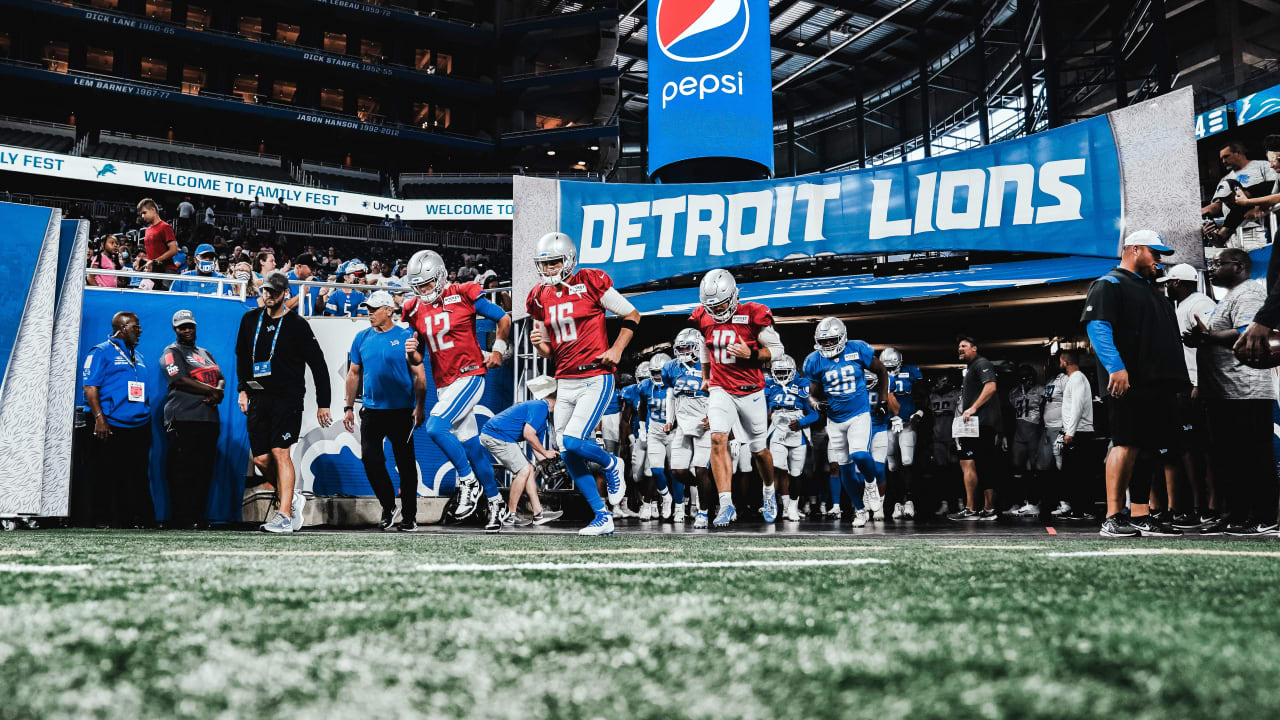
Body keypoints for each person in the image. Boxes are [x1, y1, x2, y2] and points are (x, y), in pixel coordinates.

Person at [527, 232, 639, 536]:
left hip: (595, 377)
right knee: (567, 451)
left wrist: (616, 350)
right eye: (545, 263)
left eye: (554, 262)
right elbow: (551, 350)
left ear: (569, 260)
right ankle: (602, 517)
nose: (549, 269)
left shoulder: (589, 281)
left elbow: (632, 314)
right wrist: (540, 346)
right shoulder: (540, 295)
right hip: (566, 379)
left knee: (575, 440)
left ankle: (612, 464)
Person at [1082, 229, 1189, 538]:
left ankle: (1141, 513)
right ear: (1134, 249)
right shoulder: (1109, 283)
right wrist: (1116, 367)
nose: (1159, 259)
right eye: (1154, 252)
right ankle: (1112, 515)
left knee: (1149, 449)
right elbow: (1098, 326)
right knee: (1126, 442)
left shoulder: (1151, 291)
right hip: (1129, 382)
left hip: (1158, 384)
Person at [403, 249, 512, 530]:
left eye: (427, 283)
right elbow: (418, 356)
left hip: (470, 375)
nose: (424, 290)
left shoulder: (464, 292)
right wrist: (412, 353)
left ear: (440, 277)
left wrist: (498, 350)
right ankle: (496, 501)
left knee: (436, 427)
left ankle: (468, 481)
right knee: (473, 448)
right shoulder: (414, 308)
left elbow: (503, 318)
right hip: (445, 385)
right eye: (418, 286)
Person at [1183, 249, 1277, 535]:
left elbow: (1247, 332)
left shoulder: (1248, 292)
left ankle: (1264, 517)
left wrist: (1206, 336)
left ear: (1238, 266)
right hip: (1226, 392)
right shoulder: (1229, 297)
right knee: (1231, 460)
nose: (1211, 268)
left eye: (1218, 263)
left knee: (1253, 458)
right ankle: (1238, 514)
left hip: (1245, 391)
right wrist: (1201, 337)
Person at [235, 271, 333, 533]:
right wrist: (242, 389)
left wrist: (324, 402)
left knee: (280, 452)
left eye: (274, 292)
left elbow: (319, 365)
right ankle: (292, 498)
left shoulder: (297, 325)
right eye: (265, 291)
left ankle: (284, 515)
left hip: (288, 398)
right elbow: (242, 358)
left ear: (284, 294)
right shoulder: (249, 320)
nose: (268, 296)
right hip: (258, 396)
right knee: (261, 460)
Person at [692, 268, 783, 527]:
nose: (717, 311)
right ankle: (726, 504)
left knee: (759, 450)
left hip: (751, 390)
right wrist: (706, 375)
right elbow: (704, 345)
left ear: (733, 296)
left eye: (721, 304)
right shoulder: (703, 317)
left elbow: (778, 349)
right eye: (712, 306)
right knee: (718, 438)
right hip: (721, 388)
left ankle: (768, 491)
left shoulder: (753, 313)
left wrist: (752, 354)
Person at [342, 291, 427, 532]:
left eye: (375, 309)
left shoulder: (406, 336)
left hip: (401, 411)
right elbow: (353, 374)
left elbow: (420, 376)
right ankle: (389, 506)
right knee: (371, 459)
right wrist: (348, 407)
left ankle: (409, 517)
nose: (369, 313)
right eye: (368, 308)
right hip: (371, 411)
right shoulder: (361, 338)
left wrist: (420, 407)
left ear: (389, 311)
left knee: (406, 465)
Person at [803, 317, 897, 528]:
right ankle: (860, 511)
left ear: (842, 337)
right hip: (834, 420)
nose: (827, 345)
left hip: (858, 414)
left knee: (859, 454)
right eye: (823, 341)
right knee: (845, 468)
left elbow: (882, 371)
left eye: (831, 340)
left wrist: (883, 400)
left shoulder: (857, 349)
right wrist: (817, 405)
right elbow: (812, 394)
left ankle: (871, 484)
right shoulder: (814, 360)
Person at [82, 312, 155, 528]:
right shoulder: (101, 352)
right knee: (106, 473)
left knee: (137, 474)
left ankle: (133, 519)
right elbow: (90, 387)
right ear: (122, 328)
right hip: (110, 423)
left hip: (139, 425)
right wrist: (99, 418)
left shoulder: (137, 356)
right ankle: (103, 519)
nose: (139, 330)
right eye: (135, 327)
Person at [1159, 263, 1218, 527]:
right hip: (1185, 386)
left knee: (1203, 450)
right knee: (1188, 451)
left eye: (1169, 282)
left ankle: (1210, 507)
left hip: (1198, 386)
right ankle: (1195, 506)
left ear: (1179, 283)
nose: (1166, 287)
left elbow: (1210, 338)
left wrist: (1198, 383)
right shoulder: (1180, 306)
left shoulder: (1199, 302)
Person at [162, 310, 224, 529]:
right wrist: (212, 390)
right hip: (183, 417)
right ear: (175, 330)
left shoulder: (205, 352)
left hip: (208, 420)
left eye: (190, 326)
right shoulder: (171, 351)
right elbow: (178, 379)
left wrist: (218, 391)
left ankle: (199, 517)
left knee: (203, 471)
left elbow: (221, 378)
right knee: (182, 470)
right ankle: (182, 518)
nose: (187, 330)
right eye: (182, 327)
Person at [481, 375, 564, 528]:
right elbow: (528, 434)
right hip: (496, 435)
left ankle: (538, 513)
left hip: (501, 436)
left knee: (529, 469)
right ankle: (509, 515)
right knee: (524, 469)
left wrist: (549, 463)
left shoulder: (543, 417)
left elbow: (535, 447)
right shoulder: (540, 406)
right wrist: (546, 452)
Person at [948, 336, 1002, 521]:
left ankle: (979, 509)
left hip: (981, 423)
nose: (960, 349)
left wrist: (973, 408)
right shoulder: (972, 368)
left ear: (974, 348)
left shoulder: (982, 363)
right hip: (974, 425)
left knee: (976, 464)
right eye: (959, 347)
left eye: (964, 346)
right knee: (975, 464)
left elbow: (991, 387)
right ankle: (981, 509)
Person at [665, 329, 713, 526]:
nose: (683, 351)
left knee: (701, 468)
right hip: (683, 422)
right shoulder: (671, 367)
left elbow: (719, 393)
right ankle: (708, 490)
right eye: (681, 348)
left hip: (703, 421)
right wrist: (670, 419)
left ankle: (703, 511)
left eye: (687, 347)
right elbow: (670, 395)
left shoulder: (709, 366)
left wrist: (714, 417)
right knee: (677, 470)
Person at [765, 354, 817, 522]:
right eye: (777, 373)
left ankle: (792, 507)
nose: (780, 377)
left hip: (797, 435)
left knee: (795, 474)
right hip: (778, 432)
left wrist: (801, 422)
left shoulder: (803, 385)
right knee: (777, 467)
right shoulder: (769, 385)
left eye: (784, 372)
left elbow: (814, 415)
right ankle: (772, 502)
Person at [1202, 141, 1277, 250]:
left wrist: (1259, 207)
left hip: (1257, 228)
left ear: (1238, 153)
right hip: (1234, 234)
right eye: (1221, 158)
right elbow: (1217, 205)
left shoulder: (1262, 166)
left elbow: (1275, 187)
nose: (1223, 161)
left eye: (1226, 156)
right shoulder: (1225, 180)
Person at [880, 347, 925, 520]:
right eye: (887, 367)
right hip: (888, 424)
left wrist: (919, 412)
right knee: (891, 465)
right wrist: (889, 417)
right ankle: (896, 502)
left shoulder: (912, 372)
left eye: (892, 367)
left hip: (907, 423)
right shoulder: (878, 375)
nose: (890, 371)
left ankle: (909, 500)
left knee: (907, 461)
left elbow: (922, 395)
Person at [1057, 350, 1101, 520]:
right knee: (1074, 473)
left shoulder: (1077, 378)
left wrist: (1070, 432)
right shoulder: (1074, 379)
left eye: (1060, 361)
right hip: (1076, 431)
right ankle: (1078, 509)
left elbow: (1077, 406)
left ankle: (1084, 510)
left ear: (1065, 362)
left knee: (1080, 473)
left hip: (1079, 432)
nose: (1059, 364)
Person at [639, 353, 680, 522]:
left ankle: (679, 507)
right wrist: (642, 427)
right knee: (656, 470)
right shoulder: (645, 386)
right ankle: (666, 496)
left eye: (660, 373)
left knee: (675, 471)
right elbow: (642, 408)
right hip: (655, 431)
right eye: (654, 372)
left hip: (674, 432)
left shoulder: (677, 383)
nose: (657, 376)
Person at [1006, 365, 1045, 516]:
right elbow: (1010, 415)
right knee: (1017, 468)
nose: (1025, 380)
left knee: (1035, 468)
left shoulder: (1041, 390)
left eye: (1027, 377)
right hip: (1019, 434)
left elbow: (1044, 411)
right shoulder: (1014, 393)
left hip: (1034, 432)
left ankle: (1034, 502)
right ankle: (1018, 502)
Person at [928, 372, 963, 515]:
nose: (938, 384)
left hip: (953, 438)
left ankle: (961, 501)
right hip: (938, 439)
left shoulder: (957, 395)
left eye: (941, 381)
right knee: (941, 472)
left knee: (956, 471)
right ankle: (945, 503)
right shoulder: (932, 396)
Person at [137, 198, 179, 285]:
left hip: (167, 271)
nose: (142, 216)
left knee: (165, 298)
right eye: (141, 214)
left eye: (144, 213)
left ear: (153, 210)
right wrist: (142, 262)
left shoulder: (165, 227)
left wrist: (155, 261)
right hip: (153, 271)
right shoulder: (147, 230)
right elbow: (153, 253)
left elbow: (174, 250)